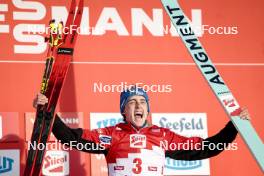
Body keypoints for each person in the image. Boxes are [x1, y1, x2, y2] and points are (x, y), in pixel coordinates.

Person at [33, 86, 250, 176]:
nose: (138, 106)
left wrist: (234, 127)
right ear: (123, 111)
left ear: (148, 108)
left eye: (142, 102)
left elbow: (206, 148)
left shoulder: (163, 135)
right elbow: (71, 139)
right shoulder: (112, 134)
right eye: (132, 102)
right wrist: (48, 109)